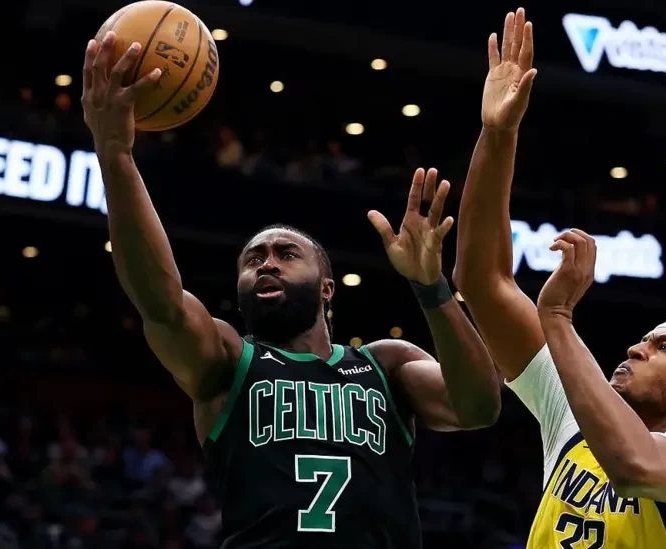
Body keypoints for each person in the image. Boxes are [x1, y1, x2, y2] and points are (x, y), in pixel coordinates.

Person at [80, 31, 501, 549]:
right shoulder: (229, 361)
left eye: (286, 254)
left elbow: (478, 406)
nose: (267, 265)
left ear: (327, 288)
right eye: (253, 260)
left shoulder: (386, 365)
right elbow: (161, 304)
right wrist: (116, 154)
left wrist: (430, 286)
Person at [452, 8, 666, 549]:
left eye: (663, 347)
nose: (636, 348)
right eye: (646, 339)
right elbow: (481, 280)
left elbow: (633, 467)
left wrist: (558, 317)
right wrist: (498, 134)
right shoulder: (578, 417)